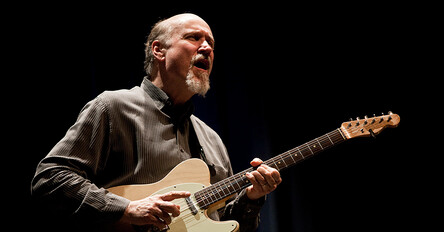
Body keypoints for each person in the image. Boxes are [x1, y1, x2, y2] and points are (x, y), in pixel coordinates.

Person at [31, 13, 282, 232]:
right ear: (158, 50)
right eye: (194, 38)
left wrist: (252, 198)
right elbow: (51, 178)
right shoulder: (113, 107)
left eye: (211, 43)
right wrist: (126, 209)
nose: (206, 48)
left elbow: (223, 223)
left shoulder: (212, 140)